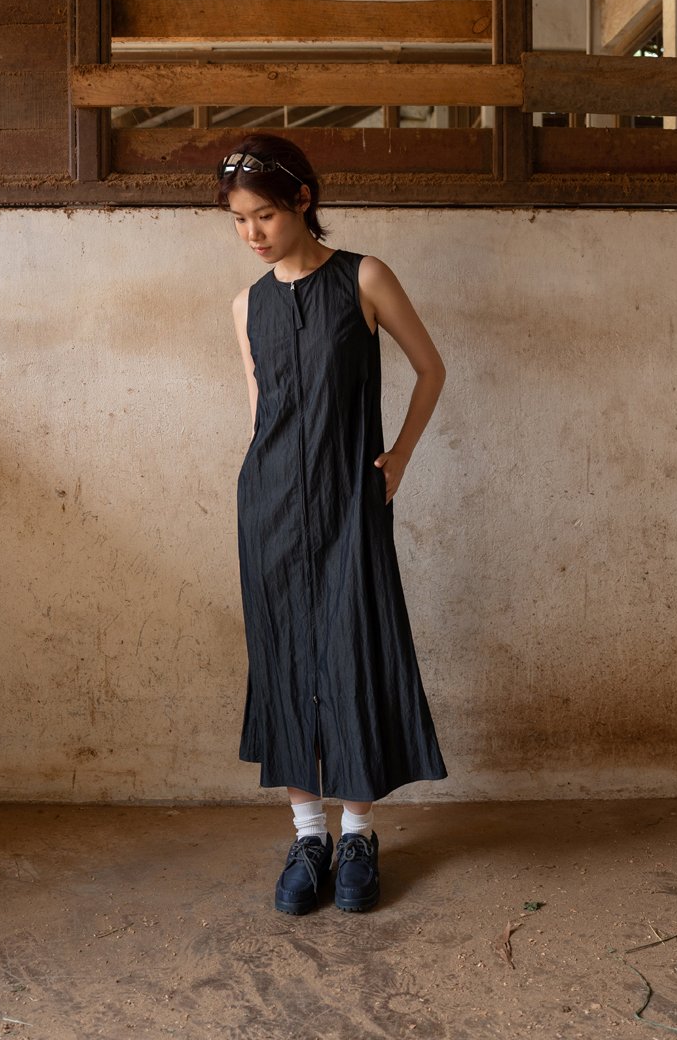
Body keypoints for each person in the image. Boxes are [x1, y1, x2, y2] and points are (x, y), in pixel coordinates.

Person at [218, 134, 448, 915]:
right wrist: (261, 493)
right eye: (239, 219)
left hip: (351, 501)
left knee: (353, 654)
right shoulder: (247, 306)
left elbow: (431, 368)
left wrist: (400, 456)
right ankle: (307, 835)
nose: (252, 232)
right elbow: (261, 413)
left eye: (265, 214)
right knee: (284, 660)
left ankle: (357, 834)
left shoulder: (364, 277)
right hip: (270, 508)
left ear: (303, 200)